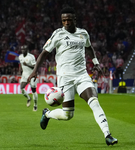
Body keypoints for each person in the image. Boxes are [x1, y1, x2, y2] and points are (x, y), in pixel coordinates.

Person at [28, 6, 118, 146]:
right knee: (67, 115)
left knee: (94, 101)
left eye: (69, 20)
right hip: (65, 78)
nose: (66, 22)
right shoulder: (58, 34)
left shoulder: (83, 33)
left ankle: (108, 135)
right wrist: (35, 71)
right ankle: (47, 114)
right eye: (64, 20)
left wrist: (95, 63)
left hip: (82, 75)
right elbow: (44, 53)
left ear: (75, 19)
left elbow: (89, 47)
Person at [19, 45, 38, 111]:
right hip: (24, 75)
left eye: (24, 49)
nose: (22, 50)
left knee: (33, 91)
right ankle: (29, 98)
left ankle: (35, 105)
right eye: (22, 49)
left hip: (31, 75)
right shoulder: (20, 56)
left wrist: (27, 65)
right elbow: (21, 64)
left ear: (27, 50)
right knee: (21, 88)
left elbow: (35, 67)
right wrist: (20, 70)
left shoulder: (31, 57)